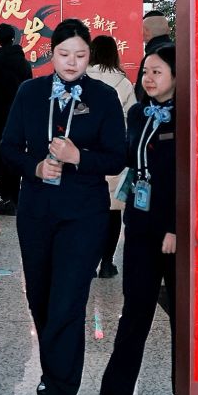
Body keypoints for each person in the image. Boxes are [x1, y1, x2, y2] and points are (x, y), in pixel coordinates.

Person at [0, 19, 129, 395]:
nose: (72, 62)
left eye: (80, 55)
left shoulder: (104, 96)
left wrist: (78, 156)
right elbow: (6, 146)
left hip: (83, 215)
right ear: (50, 54)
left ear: (90, 57)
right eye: (64, 54)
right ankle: (51, 369)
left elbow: (115, 157)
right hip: (37, 210)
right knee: (40, 298)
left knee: (68, 303)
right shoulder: (30, 92)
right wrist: (34, 166)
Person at [96, 43, 178, 395]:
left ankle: (186, 388)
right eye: (146, 71)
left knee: (182, 313)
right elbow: (126, 158)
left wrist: (176, 227)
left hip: (174, 233)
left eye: (157, 72)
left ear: (177, 78)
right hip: (141, 225)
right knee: (135, 309)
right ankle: (117, 392)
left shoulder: (187, 120)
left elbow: (189, 179)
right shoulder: (138, 113)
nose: (148, 77)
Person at [86, 35, 137, 279]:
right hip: (115, 153)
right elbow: (133, 117)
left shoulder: (81, 78)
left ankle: (87, 260)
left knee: (87, 209)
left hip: (84, 154)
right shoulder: (123, 83)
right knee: (113, 210)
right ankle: (107, 262)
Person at [0, 23, 31, 214]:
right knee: (16, 154)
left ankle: (6, 199)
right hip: (20, 118)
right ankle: (15, 199)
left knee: (0, 155)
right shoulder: (24, 63)